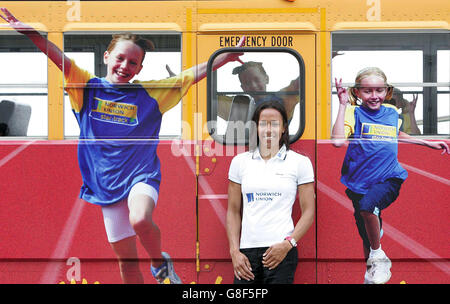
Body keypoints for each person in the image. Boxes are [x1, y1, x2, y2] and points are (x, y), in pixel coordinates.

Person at [0, 8, 244, 284]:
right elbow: (59, 59)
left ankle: (158, 262)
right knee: (126, 263)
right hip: (105, 185)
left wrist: (223, 58)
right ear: (107, 57)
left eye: (132, 63)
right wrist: (33, 35)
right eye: (120, 58)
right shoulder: (86, 86)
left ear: (139, 69)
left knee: (140, 219)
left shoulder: (150, 93)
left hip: (141, 175)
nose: (124, 66)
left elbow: (189, 75)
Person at [332, 67, 449, 284]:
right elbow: (338, 141)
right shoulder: (353, 112)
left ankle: (378, 256)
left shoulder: (390, 112)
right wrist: (341, 106)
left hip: (389, 178)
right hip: (359, 184)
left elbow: (396, 133)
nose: (374, 96)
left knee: (368, 209)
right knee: (366, 233)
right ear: (357, 93)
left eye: (379, 90)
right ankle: (372, 271)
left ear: (387, 91)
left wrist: (427, 143)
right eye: (367, 91)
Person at [226, 100, 315, 284]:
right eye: (263, 124)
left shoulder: (300, 162)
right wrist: (235, 251)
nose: (268, 129)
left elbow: (308, 212)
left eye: (274, 124)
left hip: (281, 252)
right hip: (246, 255)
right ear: (256, 127)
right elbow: (233, 211)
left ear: (283, 127)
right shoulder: (239, 162)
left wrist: (288, 244)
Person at [217, 61, 300, 122]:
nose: (253, 85)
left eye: (257, 80)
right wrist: (220, 60)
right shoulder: (238, 106)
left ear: (266, 79)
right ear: (243, 88)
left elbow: (300, 82)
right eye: (247, 83)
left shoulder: (282, 98)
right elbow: (210, 98)